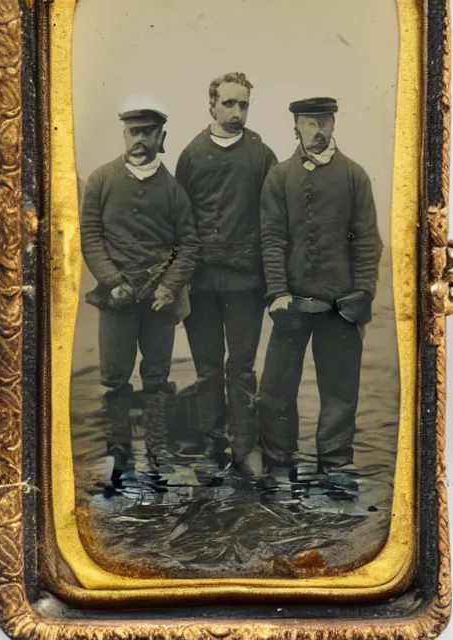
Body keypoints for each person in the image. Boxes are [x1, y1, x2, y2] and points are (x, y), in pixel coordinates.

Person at [258, 97, 382, 488]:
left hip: (339, 307)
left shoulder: (354, 175)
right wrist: (277, 291)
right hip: (291, 305)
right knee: (276, 389)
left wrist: (363, 293)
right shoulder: (279, 176)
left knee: (340, 391)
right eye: (309, 124)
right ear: (296, 126)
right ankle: (279, 463)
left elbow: (366, 241)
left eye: (324, 122)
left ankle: (335, 465)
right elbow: (272, 238)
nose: (317, 131)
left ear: (333, 124)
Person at [80, 94, 200, 487]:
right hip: (115, 302)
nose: (140, 140)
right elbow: (91, 237)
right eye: (134, 132)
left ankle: (158, 453)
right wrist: (112, 281)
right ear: (124, 133)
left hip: (159, 304)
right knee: (115, 379)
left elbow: (189, 245)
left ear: (161, 135)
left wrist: (169, 286)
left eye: (149, 132)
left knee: (156, 377)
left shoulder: (173, 190)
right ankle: (120, 453)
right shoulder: (100, 180)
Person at [175, 72, 277, 479]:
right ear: (212, 105)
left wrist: (273, 283)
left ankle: (245, 446)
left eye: (244, 105)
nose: (237, 112)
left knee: (242, 368)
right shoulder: (192, 154)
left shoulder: (260, 154)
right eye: (229, 103)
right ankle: (212, 445)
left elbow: (271, 221)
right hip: (199, 284)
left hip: (246, 285)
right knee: (207, 370)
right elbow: (179, 223)